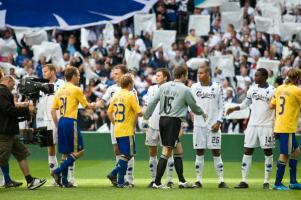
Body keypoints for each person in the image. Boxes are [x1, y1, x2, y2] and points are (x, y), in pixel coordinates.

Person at [144, 66, 207, 189]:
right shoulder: (185, 89)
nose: (187, 77)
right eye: (187, 75)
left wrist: (146, 115)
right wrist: (202, 113)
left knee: (178, 150)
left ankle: (182, 181)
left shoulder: (163, 87)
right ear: (183, 75)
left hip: (163, 120)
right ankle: (157, 182)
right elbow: (193, 107)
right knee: (167, 151)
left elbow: (152, 102)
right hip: (173, 121)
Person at [226, 68, 275, 189]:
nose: (255, 77)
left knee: (267, 152)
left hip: (267, 125)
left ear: (265, 76)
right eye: (255, 75)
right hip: (252, 125)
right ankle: (244, 181)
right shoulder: (252, 89)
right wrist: (234, 108)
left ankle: (266, 181)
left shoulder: (273, 90)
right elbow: (244, 105)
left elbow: (277, 109)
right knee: (247, 150)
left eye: (257, 75)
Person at [51, 67, 96, 188]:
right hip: (71, 121)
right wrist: (95, 105)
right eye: (78, 75)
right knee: (79, 151)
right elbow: (87, 106)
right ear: (73, 76)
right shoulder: (76, 89)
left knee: (65, 153)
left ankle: (64, 182)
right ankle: (57, 171)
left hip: (61, 121)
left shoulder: (60, 90)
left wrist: (57, 124)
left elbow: (52, 109)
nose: (79, 77)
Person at [0, 75, 47, 190]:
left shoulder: (4, 92)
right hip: (4, 132)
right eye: (13, 84)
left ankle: (30, 181)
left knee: (22, 153)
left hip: (9, 131)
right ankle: (9, 180)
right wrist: (26, 109)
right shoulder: (2, 91)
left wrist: (25, 110)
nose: (14, 86)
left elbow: (10, 110)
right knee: (2, 158)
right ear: (8, 80)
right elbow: (8, 110)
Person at [99, 64, 137, 187]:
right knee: (118, 150)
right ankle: (118, 177)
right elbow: (103, 102)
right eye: (114, 73)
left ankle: (129, 178)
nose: (114, 76)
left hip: (126, 125)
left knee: (127, 152)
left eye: (117, 74)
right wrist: (93, 105)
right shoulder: (111, 89)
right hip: (115, 124)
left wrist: (133, 125)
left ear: (124, 75)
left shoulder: (132, 91)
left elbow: (134, 109)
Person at [190, 65, 228, 188]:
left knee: (216, 152)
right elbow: (191, 105)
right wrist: (193, 119)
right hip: (199, 126)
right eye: (198, 73)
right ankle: (198, 180)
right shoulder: (194, 87)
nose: (198, 75)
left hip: (213, 126)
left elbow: (222, 106)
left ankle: (221, 181)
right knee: (199, 152)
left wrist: (219, 122)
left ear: (208, 74)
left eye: (201, 73)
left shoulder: (217, 87)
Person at [106, 74, 143, 188]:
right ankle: (113, 173)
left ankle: (121, 182)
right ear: (130, 84)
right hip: (127, 130)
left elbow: (108, 112)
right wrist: (135, 123)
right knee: (128, 155)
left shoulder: (116, 96)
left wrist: (115, 123)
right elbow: (139, 112)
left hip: (117, 129)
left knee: (124, 155)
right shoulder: (130, 95)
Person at [270, 68, 301, 190]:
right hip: (287, 127)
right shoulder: (297, 91)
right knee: (284, 154)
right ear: (298, 78)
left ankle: (293, 182)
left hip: (280, 125)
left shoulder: (279, 89)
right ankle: (277, 183)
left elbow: (271, 105)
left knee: (296, 151)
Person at [36, 64, 67, 186]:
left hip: (61, 119)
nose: (43, 73)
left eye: (45, 71)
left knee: (65, 148)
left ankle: (68, 177)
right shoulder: (41, 86)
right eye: (42, 71)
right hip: (46, 121)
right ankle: (54, 178)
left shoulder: (62, 84)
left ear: (53, 71)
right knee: (50, 148)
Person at [144, 68, 175, 188]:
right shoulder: (151, 89)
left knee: (168, 152)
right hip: (152, 125)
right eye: (156, 75)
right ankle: (154, 179)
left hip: (167, 125)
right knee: (152, 152)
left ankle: (169, 179)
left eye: (159, 76)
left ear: (166, 77)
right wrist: (145, 123)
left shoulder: (172, 88)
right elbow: (147, 106)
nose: (156, 77)